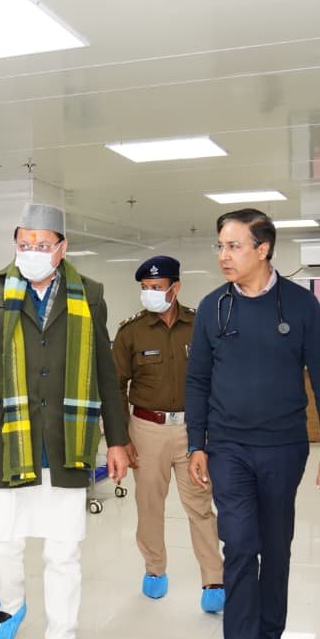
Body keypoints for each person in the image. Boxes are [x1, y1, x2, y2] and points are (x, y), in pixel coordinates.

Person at [0, 203, 130, 639]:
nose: (31, 251)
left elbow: (105, 372)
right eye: (24, 244)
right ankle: (11, 603)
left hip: (66, 440)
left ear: (62, 247)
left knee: (63, 551)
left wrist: (117, 439)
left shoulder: (89, 294)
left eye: (42, 244)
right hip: (6, 438)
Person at [185, 208, 320, 639]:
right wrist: (196, 443)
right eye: (220, 246)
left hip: (283, 446)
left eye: (233, 246)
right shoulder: (212, 308)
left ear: (263, 248)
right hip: (227, 446)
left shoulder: (299, 305)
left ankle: (271, 636)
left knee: (276, 545)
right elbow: (197, 381)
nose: (224, 255)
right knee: (238, 543)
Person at [112, 255, 225, 613]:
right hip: (147, 430)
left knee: (200, 505)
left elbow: (218, 378)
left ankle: (214, 579)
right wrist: (121, 438)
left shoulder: (200, 325)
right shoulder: (131, 332)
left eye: (157, 287)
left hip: (193, 431)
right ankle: (155, 569)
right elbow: (115, 387)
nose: (150, 293)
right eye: (145, 288)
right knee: (149, 506)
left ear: (175, 288)